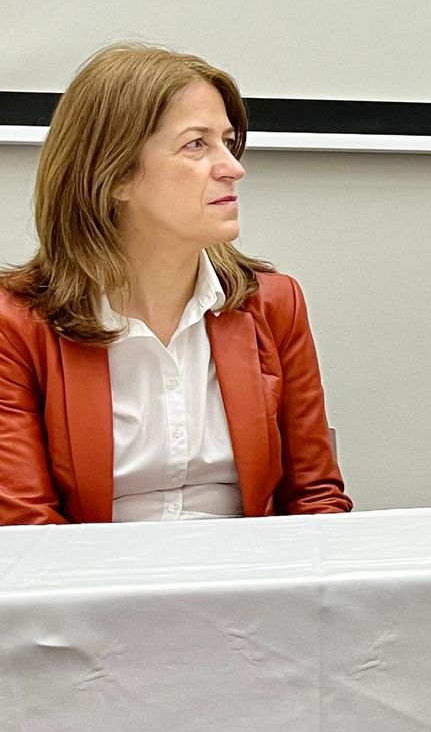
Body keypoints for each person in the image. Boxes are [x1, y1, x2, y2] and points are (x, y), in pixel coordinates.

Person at [0, 43, 352, 523]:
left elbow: (315, 499)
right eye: (196, 145)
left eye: (228, 142)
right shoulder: (16, 325)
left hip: (249, 588)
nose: (233, 167)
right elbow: (25, 528)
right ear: (115, 176)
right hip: (95, 590)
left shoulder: (274, 304)